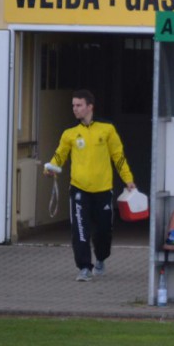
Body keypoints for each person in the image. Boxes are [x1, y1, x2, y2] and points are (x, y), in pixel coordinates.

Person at [44, 90, 135, 282]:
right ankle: (84, 267)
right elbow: (60, 155)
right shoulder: (69, 134)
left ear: (89, 107)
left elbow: (118, 157)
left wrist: (128, 180)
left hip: (103, 190)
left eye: (78, 105)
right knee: (80, 230)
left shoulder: (107, 129)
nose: (75, 109)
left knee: (103, 231)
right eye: (73, 105)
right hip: (79, 190)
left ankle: (101, 258)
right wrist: (52, 167)